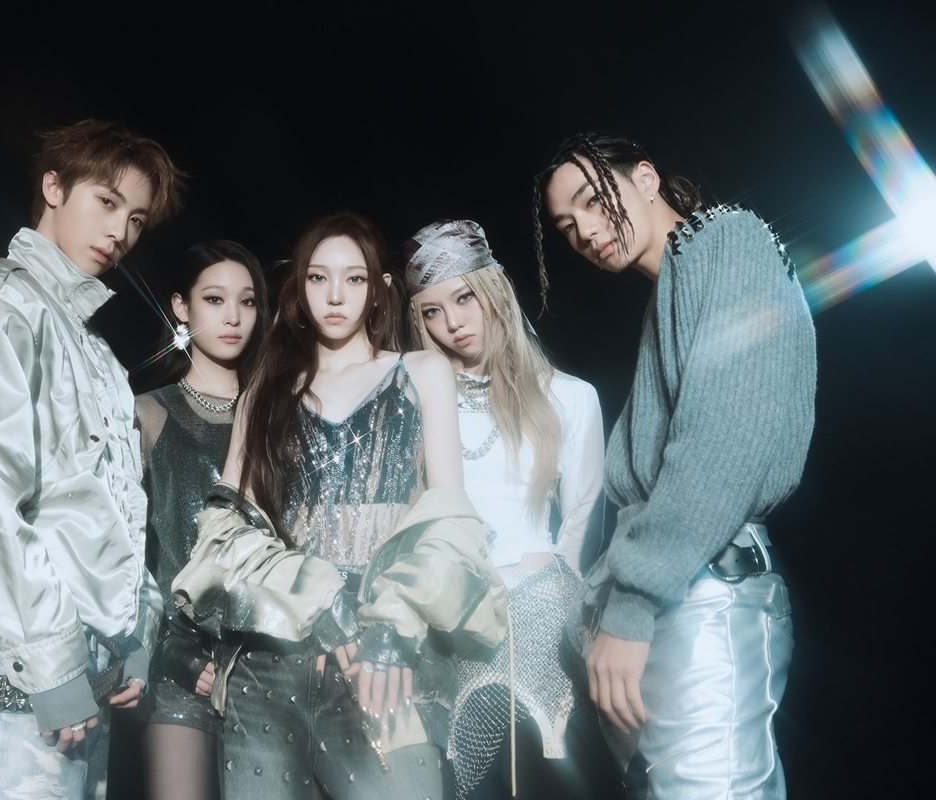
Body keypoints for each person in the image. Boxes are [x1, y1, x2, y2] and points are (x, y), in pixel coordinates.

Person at [172, 212, 509, 800]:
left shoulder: (422, 371)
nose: (335, 296)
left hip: (382, 654)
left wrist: (389, 632)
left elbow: (451, 520)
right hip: (269, 661)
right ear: (298, 288)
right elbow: (223, 531)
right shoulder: (265, 391)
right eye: (318, 278)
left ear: (378, 289)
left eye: (354, 279)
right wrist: (323, 607)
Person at [0, 119, 184, 799]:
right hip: (24, 667)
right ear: (53, 186)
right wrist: (51, 663)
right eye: (107, 202)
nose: (120, 232)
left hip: (90, 675)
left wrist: (134, 635)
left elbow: (113, 511)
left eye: (136, 219)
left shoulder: (97, 354)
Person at [534, 133, 816, 799]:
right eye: (567, 227)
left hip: (701, 594)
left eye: (592, 201)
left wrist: (630, 608)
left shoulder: (727, 240)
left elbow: (723, 442)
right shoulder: (678, 283)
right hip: (678, 599)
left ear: (646, 177)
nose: (586, 232)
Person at [405, 219, 616, 799]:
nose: (453, 323)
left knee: (547, 782)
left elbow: (584, 527)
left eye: (465, 298)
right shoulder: (415, 405)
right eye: (432, 312)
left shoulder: (570, 397)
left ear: (495, 291)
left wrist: (543, 592)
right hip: (448, 626)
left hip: (544, 623)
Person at [134, 240, 270, 800]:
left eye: (247, 301)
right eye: (215, 299)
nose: (233, 316)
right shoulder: (146, 413)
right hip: (177, 662)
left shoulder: (282, 412)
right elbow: (124, 555)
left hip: (271, 663)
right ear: (181, 307)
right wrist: (168, 649)